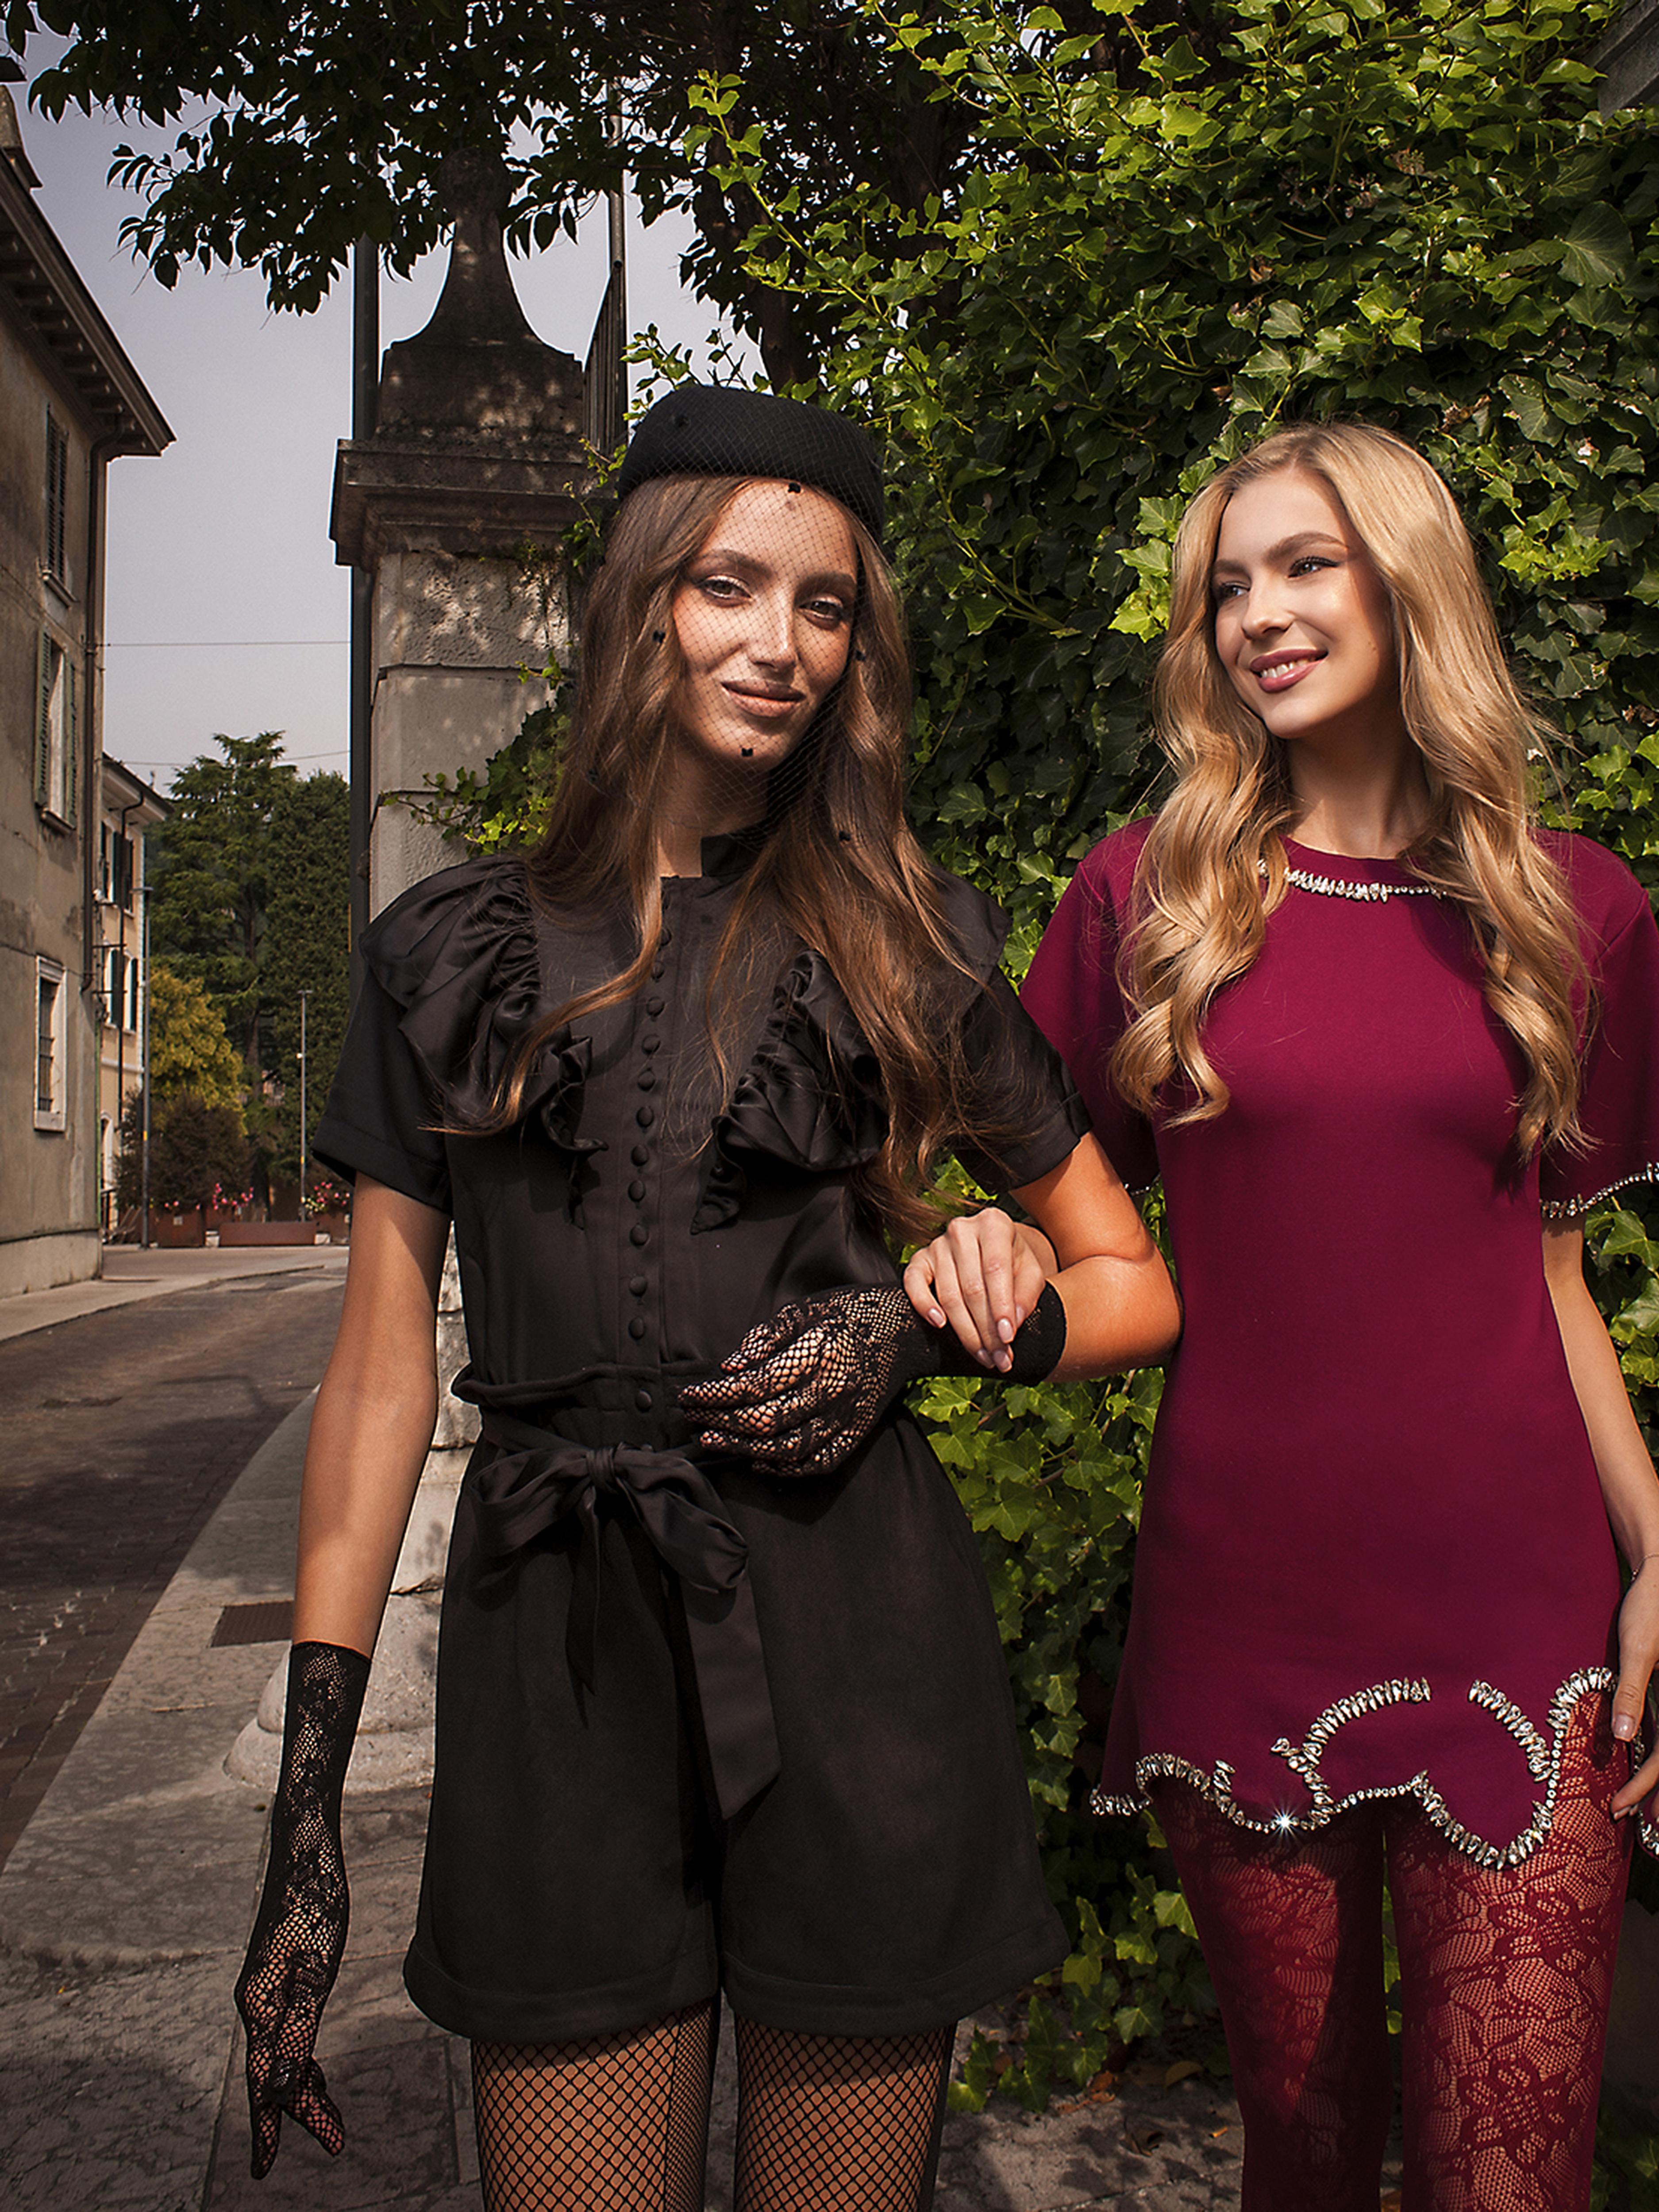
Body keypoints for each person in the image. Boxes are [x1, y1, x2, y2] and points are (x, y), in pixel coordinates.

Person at [233, 382, 1179, 2212]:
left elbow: (1134, 1278)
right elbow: (375, 1381)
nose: (781, 644)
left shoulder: (898, 936)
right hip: (555, 1652)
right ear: (641, 599)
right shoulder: (446, 949)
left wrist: (927, 1328)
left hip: (855, 1635)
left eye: (825, 605)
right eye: (731, 586)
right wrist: (308, 1810)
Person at [913, 421, 1659, 2212]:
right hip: (1244, 1612)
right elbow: (1065, 1229)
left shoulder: (1570, 906)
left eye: (1305, 565)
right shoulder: (1148, 899)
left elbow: (1556, 1279)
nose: (1259, 614)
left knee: (1513, 2178)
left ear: (1407, 582)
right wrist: (982, 1251)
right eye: (1229, 586)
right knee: (1304, 2153)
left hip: (1527, 1618)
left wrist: (1657, 1558)